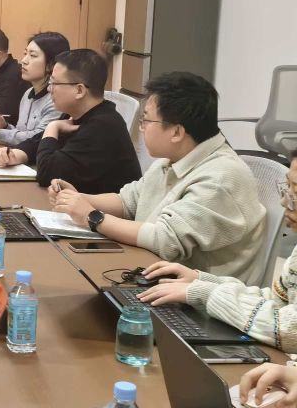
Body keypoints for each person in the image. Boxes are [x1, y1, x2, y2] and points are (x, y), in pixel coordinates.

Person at [52, 72, 267, 284]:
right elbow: (129, 201)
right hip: (153, 273)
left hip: (198, 296)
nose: (141, 128)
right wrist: (78, 199)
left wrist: (92, 217)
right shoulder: (174, 158)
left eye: (146, 120)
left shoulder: (221, 177)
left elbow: (165, 240)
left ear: (176, 132)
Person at [138, 149, 297, 350]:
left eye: (296, 192)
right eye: (287, 188)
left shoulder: (223, 174)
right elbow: (279, 301)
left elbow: (289, 329)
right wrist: (201, 280)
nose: (285, 201)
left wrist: (206, 293)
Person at [0, 49, 141, 193]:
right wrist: (14, 154)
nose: (49, 89)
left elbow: (47, 173)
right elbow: (39, 142)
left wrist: (52, 127)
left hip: (99, 209)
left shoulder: (103, 127)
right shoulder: (78, 113)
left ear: (79, 90)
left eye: (54, 83)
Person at [0, 31, 69, 145]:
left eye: (33, 55)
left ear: (51, 64)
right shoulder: (28, 93)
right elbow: (22, 133)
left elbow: (37, 139)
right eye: (25, 54)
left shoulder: (56, 99)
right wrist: (4, 126)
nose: (24, 61)